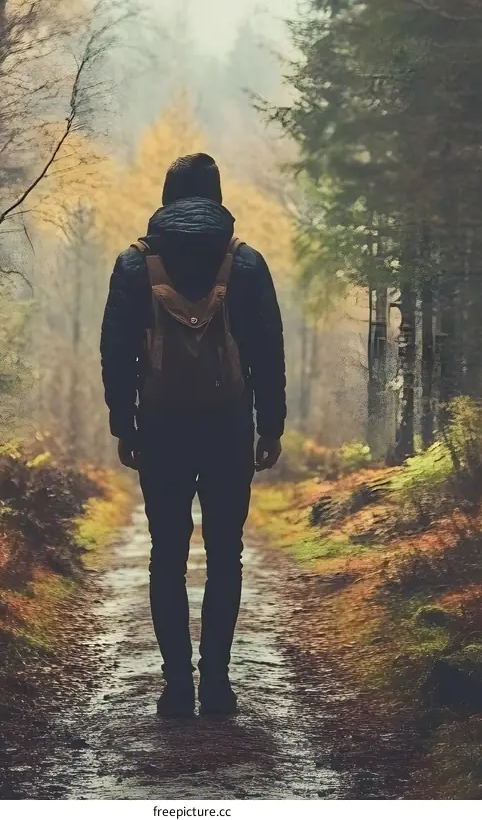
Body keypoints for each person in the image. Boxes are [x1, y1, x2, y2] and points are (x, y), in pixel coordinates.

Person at [100, 153, 286, 717]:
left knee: (167, 556)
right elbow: (268, 353)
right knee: (225, 554)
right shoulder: (246, 263)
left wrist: (123, 423)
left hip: (161, 426)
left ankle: (177, 685)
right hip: (228, 425)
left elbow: (115, 353)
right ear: (217, 195)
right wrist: (270, 426)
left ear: (166, 196)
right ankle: (219, 685)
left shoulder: (136, 265)